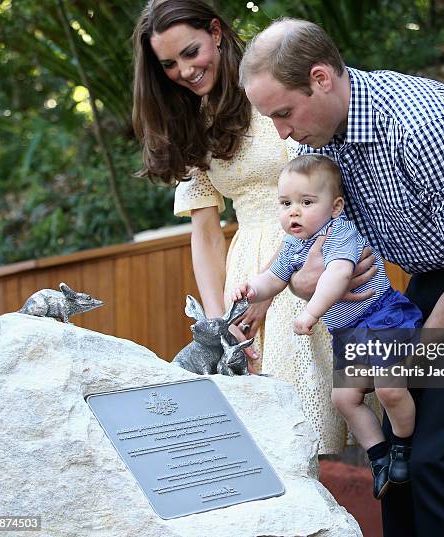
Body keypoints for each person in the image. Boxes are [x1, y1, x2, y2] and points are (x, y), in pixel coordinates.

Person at [239, 18, 444, 537]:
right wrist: (271, 295)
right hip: (430, 273)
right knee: (398, 459)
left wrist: (416, 355)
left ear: (321, 79)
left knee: (440, 456)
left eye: (283, 113)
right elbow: (305, 263)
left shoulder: (420, 125)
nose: (282, 132)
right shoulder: (314, 146)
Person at [131, 1, 351, 455]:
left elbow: (318, 197)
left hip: (306, 257)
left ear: (215, 32)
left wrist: (273, 287)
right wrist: (218, 320)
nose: (185, 71)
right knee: (253, 437)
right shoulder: (190, 120)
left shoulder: (273, 88)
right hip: (243, 271)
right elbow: (206, 231)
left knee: (305, 431)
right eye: (169, 64)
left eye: (191, 52)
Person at [233, 153, 423, 499]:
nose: (294, 211)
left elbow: (336, 275)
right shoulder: (294, 244)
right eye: (286, 203)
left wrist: (311, 314)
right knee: (344, 398)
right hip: (349, 334)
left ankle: (403, 449)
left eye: (306, 202)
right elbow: (273, 279)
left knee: (389, 389)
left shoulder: (340, 231)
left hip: (380, 318)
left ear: (334, 207)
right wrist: (251, 289)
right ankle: (379, 457)